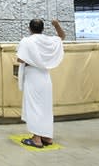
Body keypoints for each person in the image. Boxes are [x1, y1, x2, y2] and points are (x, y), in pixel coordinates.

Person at [16, 19, 65, 148]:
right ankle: (47, 137)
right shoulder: (48, 40)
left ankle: (36, 139)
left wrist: (31, 58)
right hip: (45, 77)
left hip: (33, 77)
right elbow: (61, 37)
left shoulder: (27, 41)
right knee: (45, 108)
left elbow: (20, 58)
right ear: (42, 28)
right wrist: (56, 24)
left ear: (29, 28)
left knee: (34, 107)